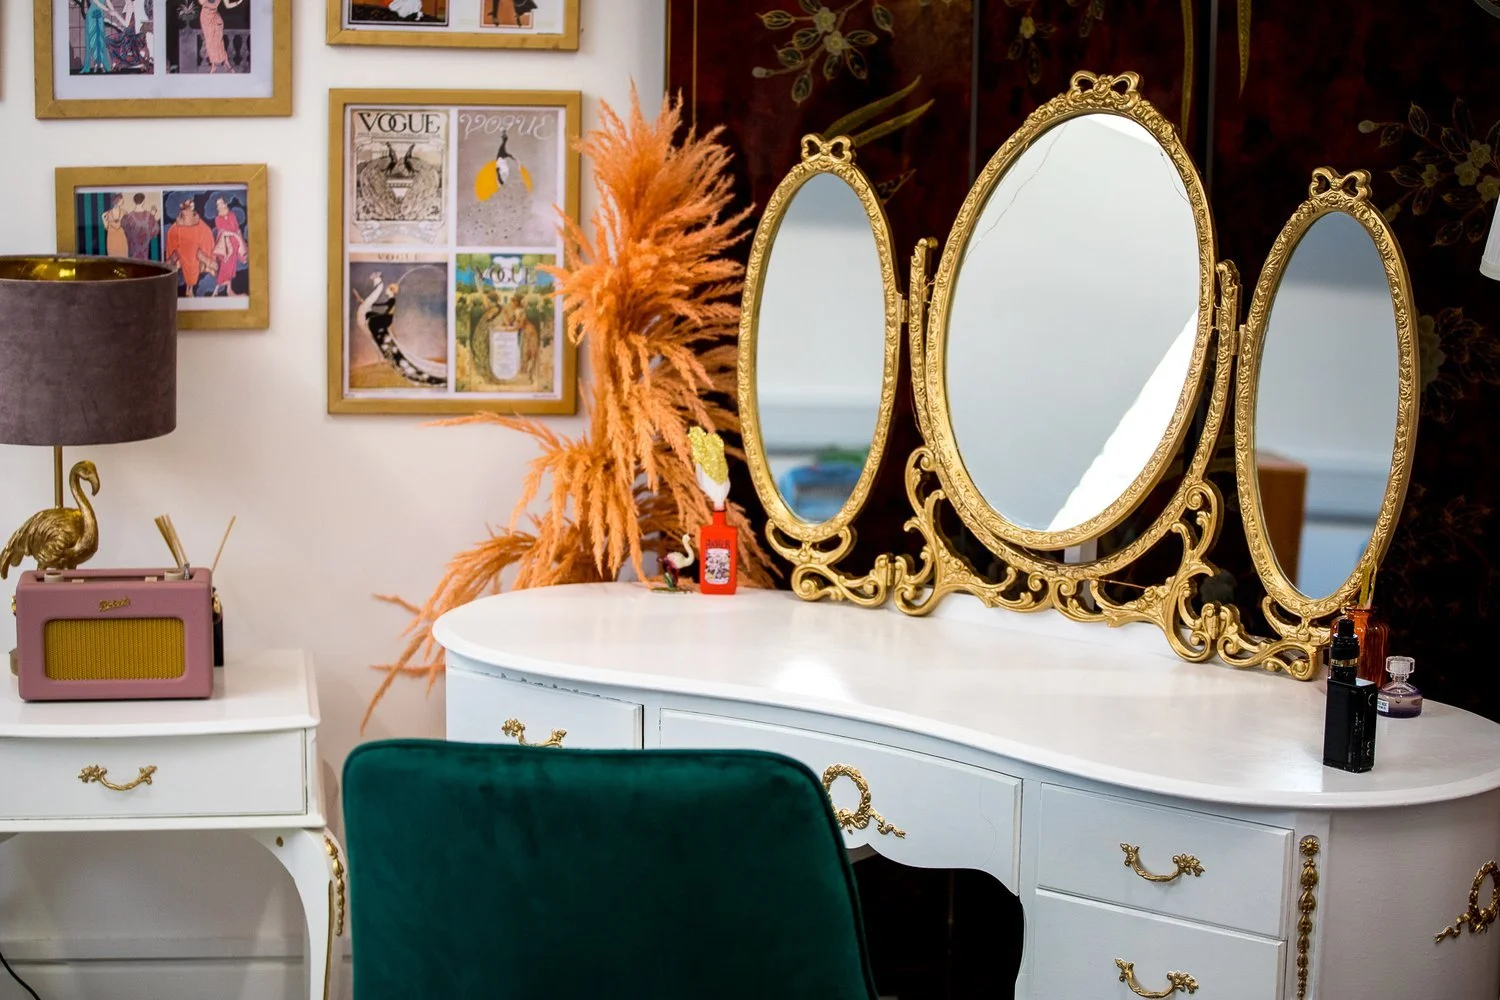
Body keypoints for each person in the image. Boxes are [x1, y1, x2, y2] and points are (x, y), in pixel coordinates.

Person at [164, 198, 216, 297]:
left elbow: (206, 232)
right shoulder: (178, 224)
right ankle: (189, 288)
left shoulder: (198, 224)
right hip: (183, 251)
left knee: (198, 262)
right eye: (189, 206)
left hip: (194, 252)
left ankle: (190, 288)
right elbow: (172, 234)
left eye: (191, 206)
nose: (191, 208)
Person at [195, 0, 245, 74]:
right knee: (210, 40)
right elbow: (201, 2)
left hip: (215, 16)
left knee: (219, 40)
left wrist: (239, 2)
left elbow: (228, 5)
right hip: (206, 17)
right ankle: (214, 65)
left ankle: (226, 62)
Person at [210, 196, 247, 296]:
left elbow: (237, 229)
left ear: (226, 204)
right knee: (224, 267)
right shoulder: (218, 219)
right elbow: (223, 232)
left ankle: (229, 290)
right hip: (226, 246)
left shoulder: (232, 215)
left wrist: (241, 243)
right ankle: (215, 291)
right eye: (218, 205)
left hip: (235, 245)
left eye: (221, 203)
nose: (219, 206)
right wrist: (234, 235)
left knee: (231, 268)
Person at [121, 193, 162, 260]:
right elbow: (155, 230)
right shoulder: (149, 216)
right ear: (143, 202)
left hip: (133, 249)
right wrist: (153, 216)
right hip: (144, 249)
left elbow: (125, 228)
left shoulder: (129, 216)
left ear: (134, 201)